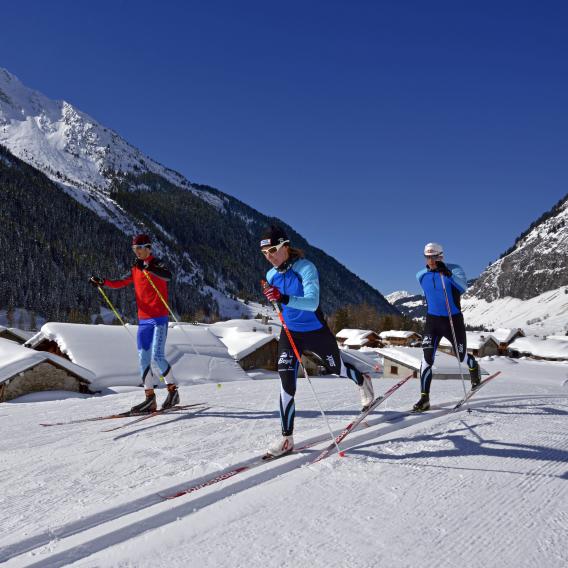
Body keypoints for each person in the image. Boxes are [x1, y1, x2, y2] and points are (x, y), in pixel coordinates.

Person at [260, 225, 375, 456]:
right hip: (290, 332)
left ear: (285, 246)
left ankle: (362, 380)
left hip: (315, 330)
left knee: (335, 367)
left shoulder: (306, 268)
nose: (269, 256)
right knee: (286, 381)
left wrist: (281, 296)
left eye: (272, 249)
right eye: (264, 253)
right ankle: (286, 438)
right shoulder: (271, 275)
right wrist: (274, 298)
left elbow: (311, 303)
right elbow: (282, 303)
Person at [89, 234, 179, 413]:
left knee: (158, 356)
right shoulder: (135, 267)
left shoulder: (156, 263)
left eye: (139, 248)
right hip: (144, 320)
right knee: (143, 358)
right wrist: (103, 282)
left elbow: (168, 276)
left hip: (159, 318)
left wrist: (148, 267)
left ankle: (173, 392)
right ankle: (149, 398)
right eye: (134, 249)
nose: (137, 252)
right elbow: (120, 283)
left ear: (148, 248)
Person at [413, 242, 481, 412]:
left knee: (461, 356)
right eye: (428, 256)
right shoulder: (421, 275)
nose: (431, 260)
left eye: (434, 256)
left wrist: (448, 274)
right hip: (432, 321)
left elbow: (463, 287)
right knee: (427, 359)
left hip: (453, 320)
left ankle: (474, 369)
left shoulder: (455, 269)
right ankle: (424, 398)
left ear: (441, 256)